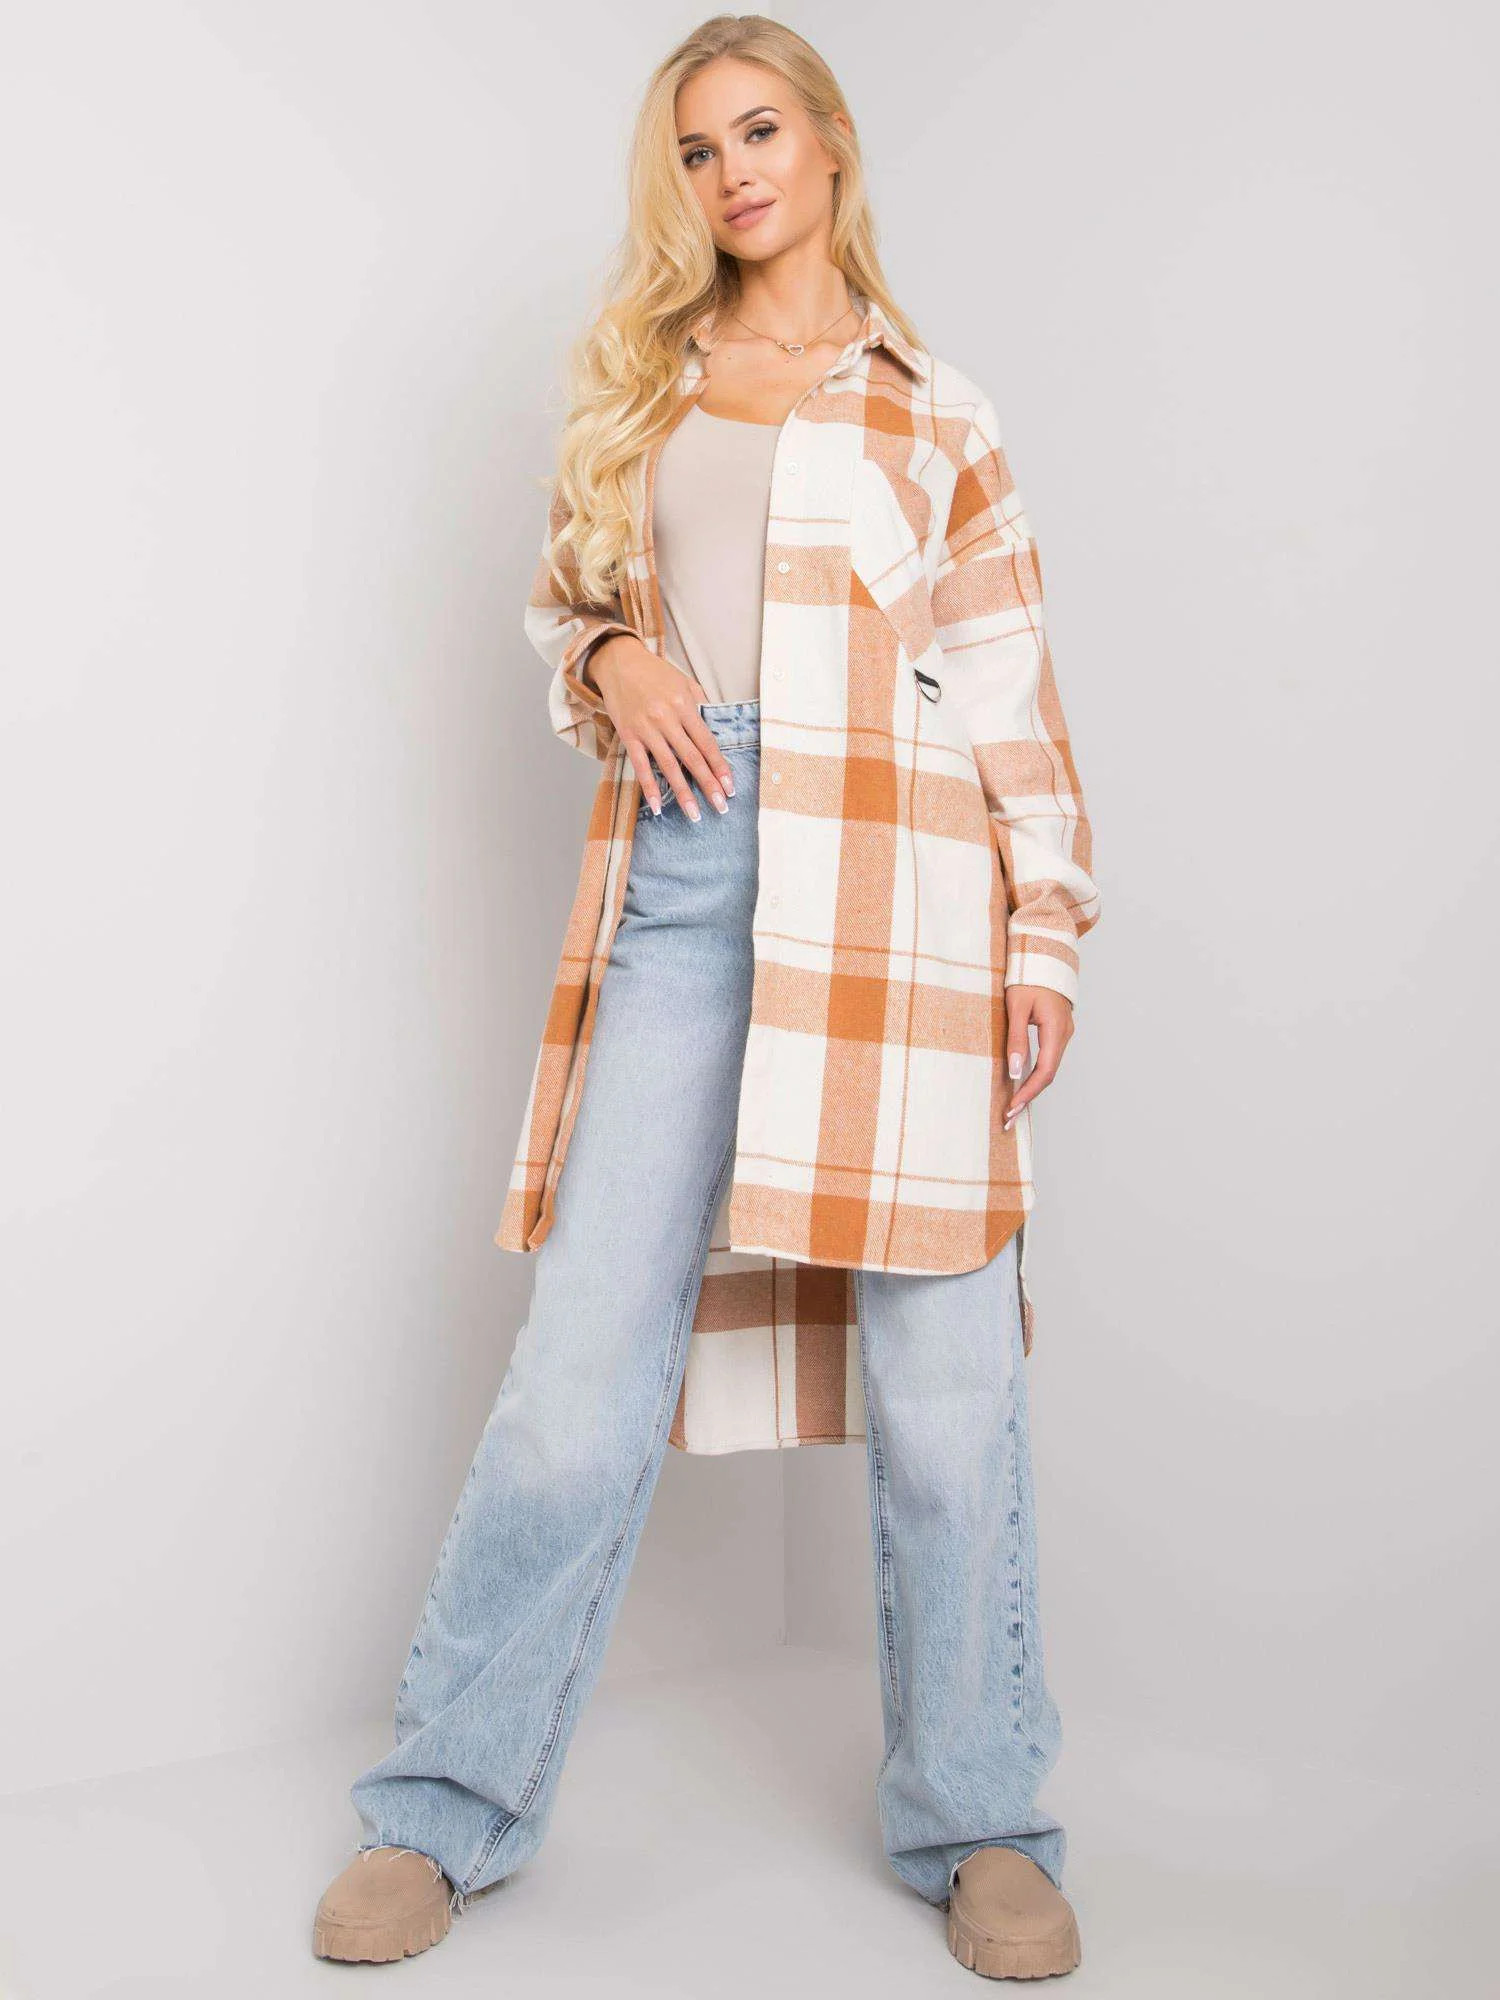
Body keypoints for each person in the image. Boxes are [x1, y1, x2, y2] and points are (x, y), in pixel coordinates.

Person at [313, 13, 1100, 1981]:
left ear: (829, 144)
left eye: (760, 130)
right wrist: (610, 660)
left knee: (947, 1400)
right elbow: (571, 604)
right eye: (696, 149)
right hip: (687, 886)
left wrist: (1044, 935)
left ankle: (984, 1822)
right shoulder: (646, 386)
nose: (733, 171)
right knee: (577, 1387)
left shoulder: (938, 413)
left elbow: (1010, 696)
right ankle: (442, 1808)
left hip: (904, 903)